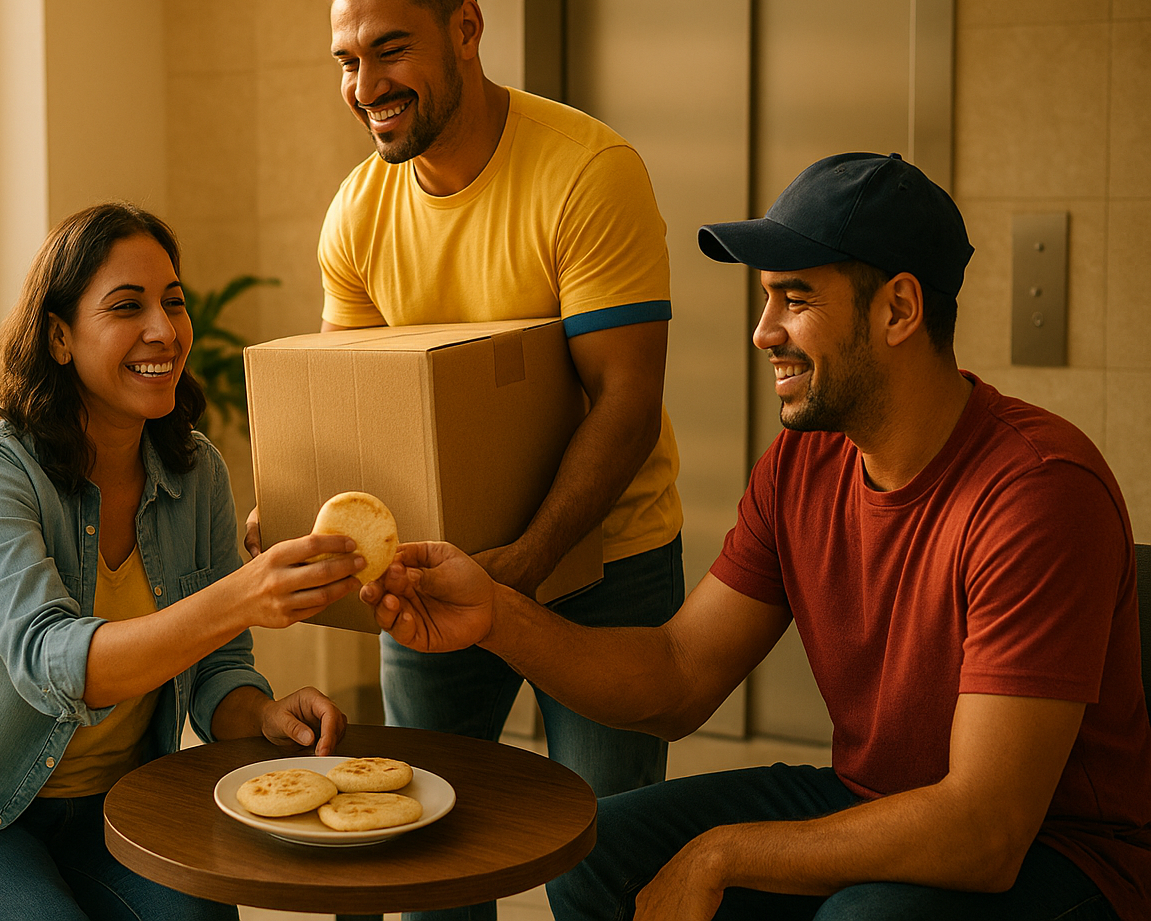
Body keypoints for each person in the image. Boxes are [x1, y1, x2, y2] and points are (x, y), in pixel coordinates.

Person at [365, 151, 1151, 920]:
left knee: (862, 915)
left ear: (900, 310)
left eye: (796, 299)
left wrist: (722, 854)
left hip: (1064, 854)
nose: (762, 331)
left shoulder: (1039, 492)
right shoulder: (803, 465)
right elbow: (678, 675)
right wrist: (499, 615)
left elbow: (986, 831)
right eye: (766, 299)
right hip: (872, 796)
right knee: (596, 849)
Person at [248, 0, 683, 919]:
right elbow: (361, 409)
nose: (365, 85)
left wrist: (521, 567)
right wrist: (300, 518)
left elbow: (625, 400)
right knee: (426, 854)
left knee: (606, 863)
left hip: (603, 565)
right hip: (434, 580)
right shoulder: (356, 212)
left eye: (391, 50)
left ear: (468, 29)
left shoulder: (586, 171)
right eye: (348, 60)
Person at [0, 202, 363, 921]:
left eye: (173, 302)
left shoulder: (198, 475)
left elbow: (219, 673)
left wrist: (266, 716)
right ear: (60, 337)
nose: (162, 329)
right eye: (127, 307)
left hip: (125, 808)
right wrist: (242, 596)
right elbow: (50, 662)